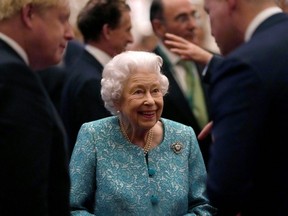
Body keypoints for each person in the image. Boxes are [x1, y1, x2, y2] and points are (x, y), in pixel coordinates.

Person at [69, 50, 217, 215]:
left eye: (155, 90)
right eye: (138, 92)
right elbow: (72, 207)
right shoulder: (94, 135)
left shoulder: (184, 135)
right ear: (116, 98)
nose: (150, 100)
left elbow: (204, 205)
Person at [199, 0, 288, 215]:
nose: (210, 31)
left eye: (208, 12)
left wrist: (227, 134)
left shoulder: (242, 67)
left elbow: (225, 190)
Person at [0, 0, 74, 215]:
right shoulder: (12, 75)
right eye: (62, 19)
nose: (69, 33)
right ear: (29, 14)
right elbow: (23, 193)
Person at [60, 0, 134, 156]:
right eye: (127, 30)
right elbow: (105, 150)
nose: (131, 39)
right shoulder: (92, 82)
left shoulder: (85, 69)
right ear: (107, 31)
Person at [150, 0, 212, 167]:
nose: (193, 25)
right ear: (159, 27)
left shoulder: (211, 61)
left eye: (194, 15)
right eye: (182, 18)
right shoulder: (146, 71)